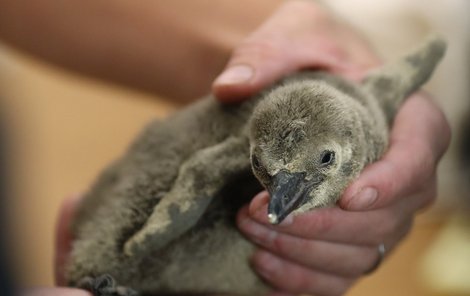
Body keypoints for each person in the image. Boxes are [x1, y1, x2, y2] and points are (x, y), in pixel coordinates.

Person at [0, 1, 450, 295]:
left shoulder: (361, 111)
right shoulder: (228, 162)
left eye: (326, 159)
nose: (281, 196)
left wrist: (291, 53)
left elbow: (416, 63)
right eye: (264, 167)